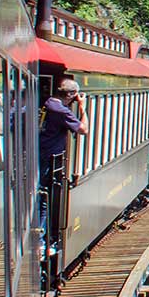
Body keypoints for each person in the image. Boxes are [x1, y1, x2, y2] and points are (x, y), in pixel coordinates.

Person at [38, 78, 86, 251]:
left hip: (43, 156)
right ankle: (40, 242)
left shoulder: (48, 103)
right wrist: (82, 108)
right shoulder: (60, 110)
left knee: (43, 197)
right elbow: (83, 129)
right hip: (47, 158)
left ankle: (42, 239)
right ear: (71, 95)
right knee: (44, 198)